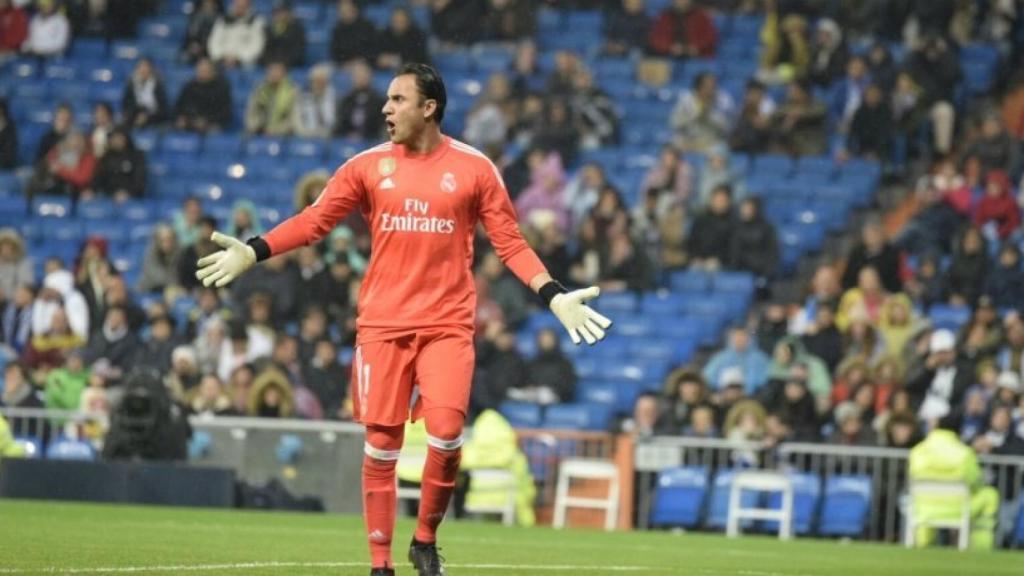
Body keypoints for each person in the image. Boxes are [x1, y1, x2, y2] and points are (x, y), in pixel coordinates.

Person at [194, 63, 612, 576]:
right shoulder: (367, 166)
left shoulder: (476, 168)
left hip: (447, 325)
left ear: (429, 107)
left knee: (446, 434)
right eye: (387, 100)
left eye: (397, 100)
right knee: (382, 446)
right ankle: (379, 565)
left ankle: (425, 539)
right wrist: (255, 250)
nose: (385, 109)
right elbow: (315, 220)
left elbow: (509, 242)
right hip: (382, 326)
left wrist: (553, 294)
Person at [909, 414, 999, 550]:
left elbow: (913, 474)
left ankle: (923, 543)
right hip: (958, 508)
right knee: (990, 495)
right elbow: (975, 481)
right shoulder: (965, 453)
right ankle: (981, 546)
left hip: (924, 508)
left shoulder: (918, 450)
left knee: (921, 496)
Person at [174, 57, 233, 133]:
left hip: (212, 123)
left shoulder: (222, 87)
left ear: (213, 72)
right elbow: (178, 107)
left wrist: (207, 121)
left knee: (214, 131)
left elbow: (225, 113)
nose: (201, 73)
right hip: (190, 122)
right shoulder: (189, 86)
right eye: (200, 70)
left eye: (205, 71)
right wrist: (182, 118)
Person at [207, 0, 265, 69]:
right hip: (221, 61)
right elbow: (214, 40)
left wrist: (238, 58)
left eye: (242, 6)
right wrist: (221, 57)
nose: (239, 8)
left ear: (249, 6)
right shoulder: (223, 20)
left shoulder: (256, 22)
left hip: (245, 64)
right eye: (237, 5)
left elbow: (257, 46)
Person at [336, 61, 386, 141]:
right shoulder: (346, 99)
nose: (360, 78)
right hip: (348, 138)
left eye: (363, 75)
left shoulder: (379, 99)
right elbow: (341, 122)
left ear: (369, 76)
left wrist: (364, 134)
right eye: (357, 75)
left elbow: (379, 123)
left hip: (371, 138)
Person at [122, 58, 169, 128]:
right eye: (141, 67)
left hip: (155, 118)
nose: (143, 70)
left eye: (146, 67)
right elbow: (126, 104)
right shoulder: (131, 84)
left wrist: (148, 116)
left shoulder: (158, 85)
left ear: (151, 69)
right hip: (134, 116)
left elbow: (163, 109)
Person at [260, 0, 305, 68]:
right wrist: (271, 64)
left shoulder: (297, 29)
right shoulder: (268, 29)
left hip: (290, 66)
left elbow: (298, 53)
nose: (279, 15)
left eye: (282, 12)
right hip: (271, 66)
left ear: (289, 13)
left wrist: (283, 65)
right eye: (276, 12)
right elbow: (265, 51)